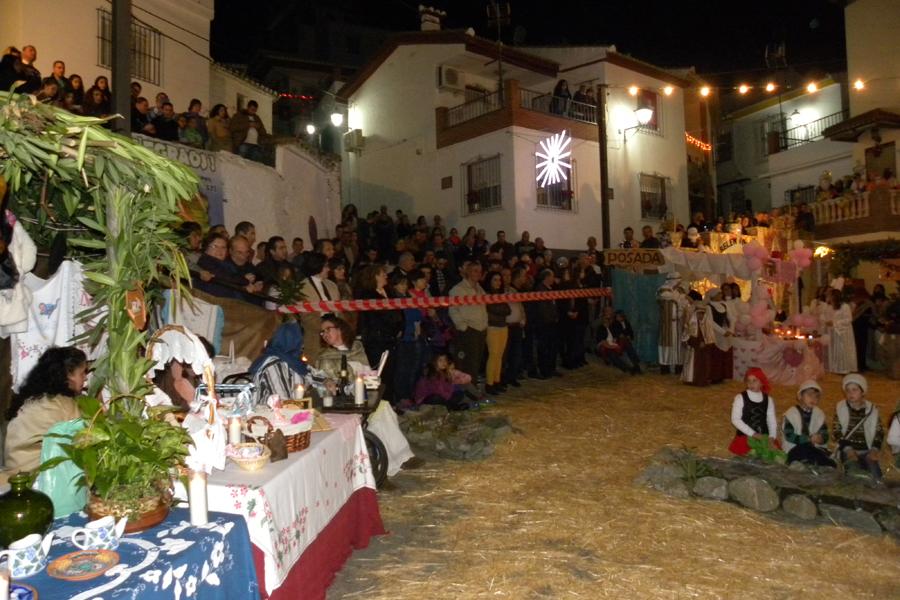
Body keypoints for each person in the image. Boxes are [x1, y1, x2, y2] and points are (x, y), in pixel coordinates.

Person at [317, 316, 420, 476]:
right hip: (343, 403)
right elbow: (328, 386)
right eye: (322, 332)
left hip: (363, 396)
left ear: (339, 328)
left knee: (384, 409)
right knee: (380, 414)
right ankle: (392, 465)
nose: (324, 334)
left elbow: (365, 370)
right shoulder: (325, 357)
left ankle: (396, 460)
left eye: (327, 329)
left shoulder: (357, 347)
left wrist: (371, 378)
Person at [5, 347, 86, 473]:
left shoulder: (30, 398)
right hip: (36, 477)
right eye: (82, 373)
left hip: (13, 469)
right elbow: (83, 440)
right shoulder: (64, 404)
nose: (85, 378)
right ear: (69, 375)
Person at [355, 264, 402, 402]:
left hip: (391, 339)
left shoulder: (389, 291)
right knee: (378, 374)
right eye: (382, 273)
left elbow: (398, 311)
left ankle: (390, 403)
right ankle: (377, 404)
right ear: (374, 276)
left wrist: (399, 327)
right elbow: (378, 317)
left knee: (391, 373)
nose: (386, 276)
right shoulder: (367, 295)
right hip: (376, 340)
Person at [832, 373, 884, 480]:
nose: (851, 393)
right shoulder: (841, 408)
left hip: (867, 450)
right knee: (853, 475)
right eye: (848, 390)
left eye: (854, 390)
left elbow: (879, 431)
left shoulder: (872, 410)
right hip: (848, 450)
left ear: (863, 391)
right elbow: (836, 431)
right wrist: (848, 450)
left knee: (876, 477)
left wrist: (874, 450)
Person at [249, 321, 308, 404]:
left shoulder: (292, 360)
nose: (302, 346)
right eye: (300, 341)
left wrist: (325, 381)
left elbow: (309, 373)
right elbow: (283, 400)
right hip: (267, 413)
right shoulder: (275, 364)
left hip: (285, 410)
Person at [448, 262, 488, 382]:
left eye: (480, 271)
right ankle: (465, 392)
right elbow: (453, 310)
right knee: (466, 363)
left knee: (476, 362)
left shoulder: (480, 289)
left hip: (481, 330)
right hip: (468, 330)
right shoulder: (458, 289)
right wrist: (463, 326)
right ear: (468, 272)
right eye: (475, 270)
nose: (478, 273)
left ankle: (473, 389)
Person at [297, 252, 340, 363]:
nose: (329, 269)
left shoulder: (332, 285)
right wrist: (324, 326)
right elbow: (305, 317)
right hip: (315, 334)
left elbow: (339, 310)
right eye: (326, 266)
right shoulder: (302, 287)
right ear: (317, 266)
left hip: (336, 332)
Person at [781, 380, 834, 467]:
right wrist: (808, 439)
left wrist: (821, 439)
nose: (813, 399)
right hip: (794, 448)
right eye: (809, 395)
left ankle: (822, 463)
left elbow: (825, 434)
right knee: (804, 449)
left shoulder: (819, 414)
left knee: (818, 452)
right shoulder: (791, 413)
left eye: (816, 397)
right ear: (799, 396)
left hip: (814, 448)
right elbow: (789, 436)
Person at [728, 368, 778, 456]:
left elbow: (771, 421)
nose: (751, 384)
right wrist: (753, 434)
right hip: (746, 436)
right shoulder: (740, 398)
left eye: (755, 380)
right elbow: (735, 419)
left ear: (762, 382)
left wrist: (772, 437)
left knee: (771, 455)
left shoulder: (768, 400)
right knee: (749, 456)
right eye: (748, 381)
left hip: (764, 436)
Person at [484, 271, 511, 395]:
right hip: (492, 328)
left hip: (503, 327)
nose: (498, 282)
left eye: (499, 280)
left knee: (500, 356)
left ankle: (496, 380)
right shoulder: (487, 295)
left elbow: (507, 310)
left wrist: (499, 309)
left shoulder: (501, 295)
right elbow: (493, 310)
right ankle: (489, 383)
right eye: (495, 279)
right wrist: (501, 309)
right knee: (493, 355)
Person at [595, 307, 641, 374]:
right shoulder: (600, 326)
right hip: (605, 346)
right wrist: (614, 346)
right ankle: (628, 369)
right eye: (608, 311)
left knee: (625, 341)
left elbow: (620, 333)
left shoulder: (614, 323)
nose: (610, 313)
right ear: (604, 313)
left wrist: (621, 338)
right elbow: (602, 342)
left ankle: (636, 364)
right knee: (611, 353)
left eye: (611, 311)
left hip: (613, 343)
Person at [657, 276, 688, 375]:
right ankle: (665, 367)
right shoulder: (663, 289)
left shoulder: (680, 291)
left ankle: (678, 367)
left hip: (678, 323)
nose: (678, 283)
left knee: (678, 346)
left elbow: (684, 303)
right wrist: (679, 298)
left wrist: (681, 308)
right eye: (677, 281)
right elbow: (666, 296)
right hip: (667, 324)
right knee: (666, 346)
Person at [823, 288, 857, 374]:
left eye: (830, 295)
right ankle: (835, 367)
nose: (828, 297)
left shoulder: (845, 306)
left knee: (842, 350)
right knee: (834, 350)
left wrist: (835, 323)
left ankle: (844, 368)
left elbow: (848, 319)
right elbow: (828, 317)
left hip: (843, 332)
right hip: (833, 331)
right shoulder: (830, 306)